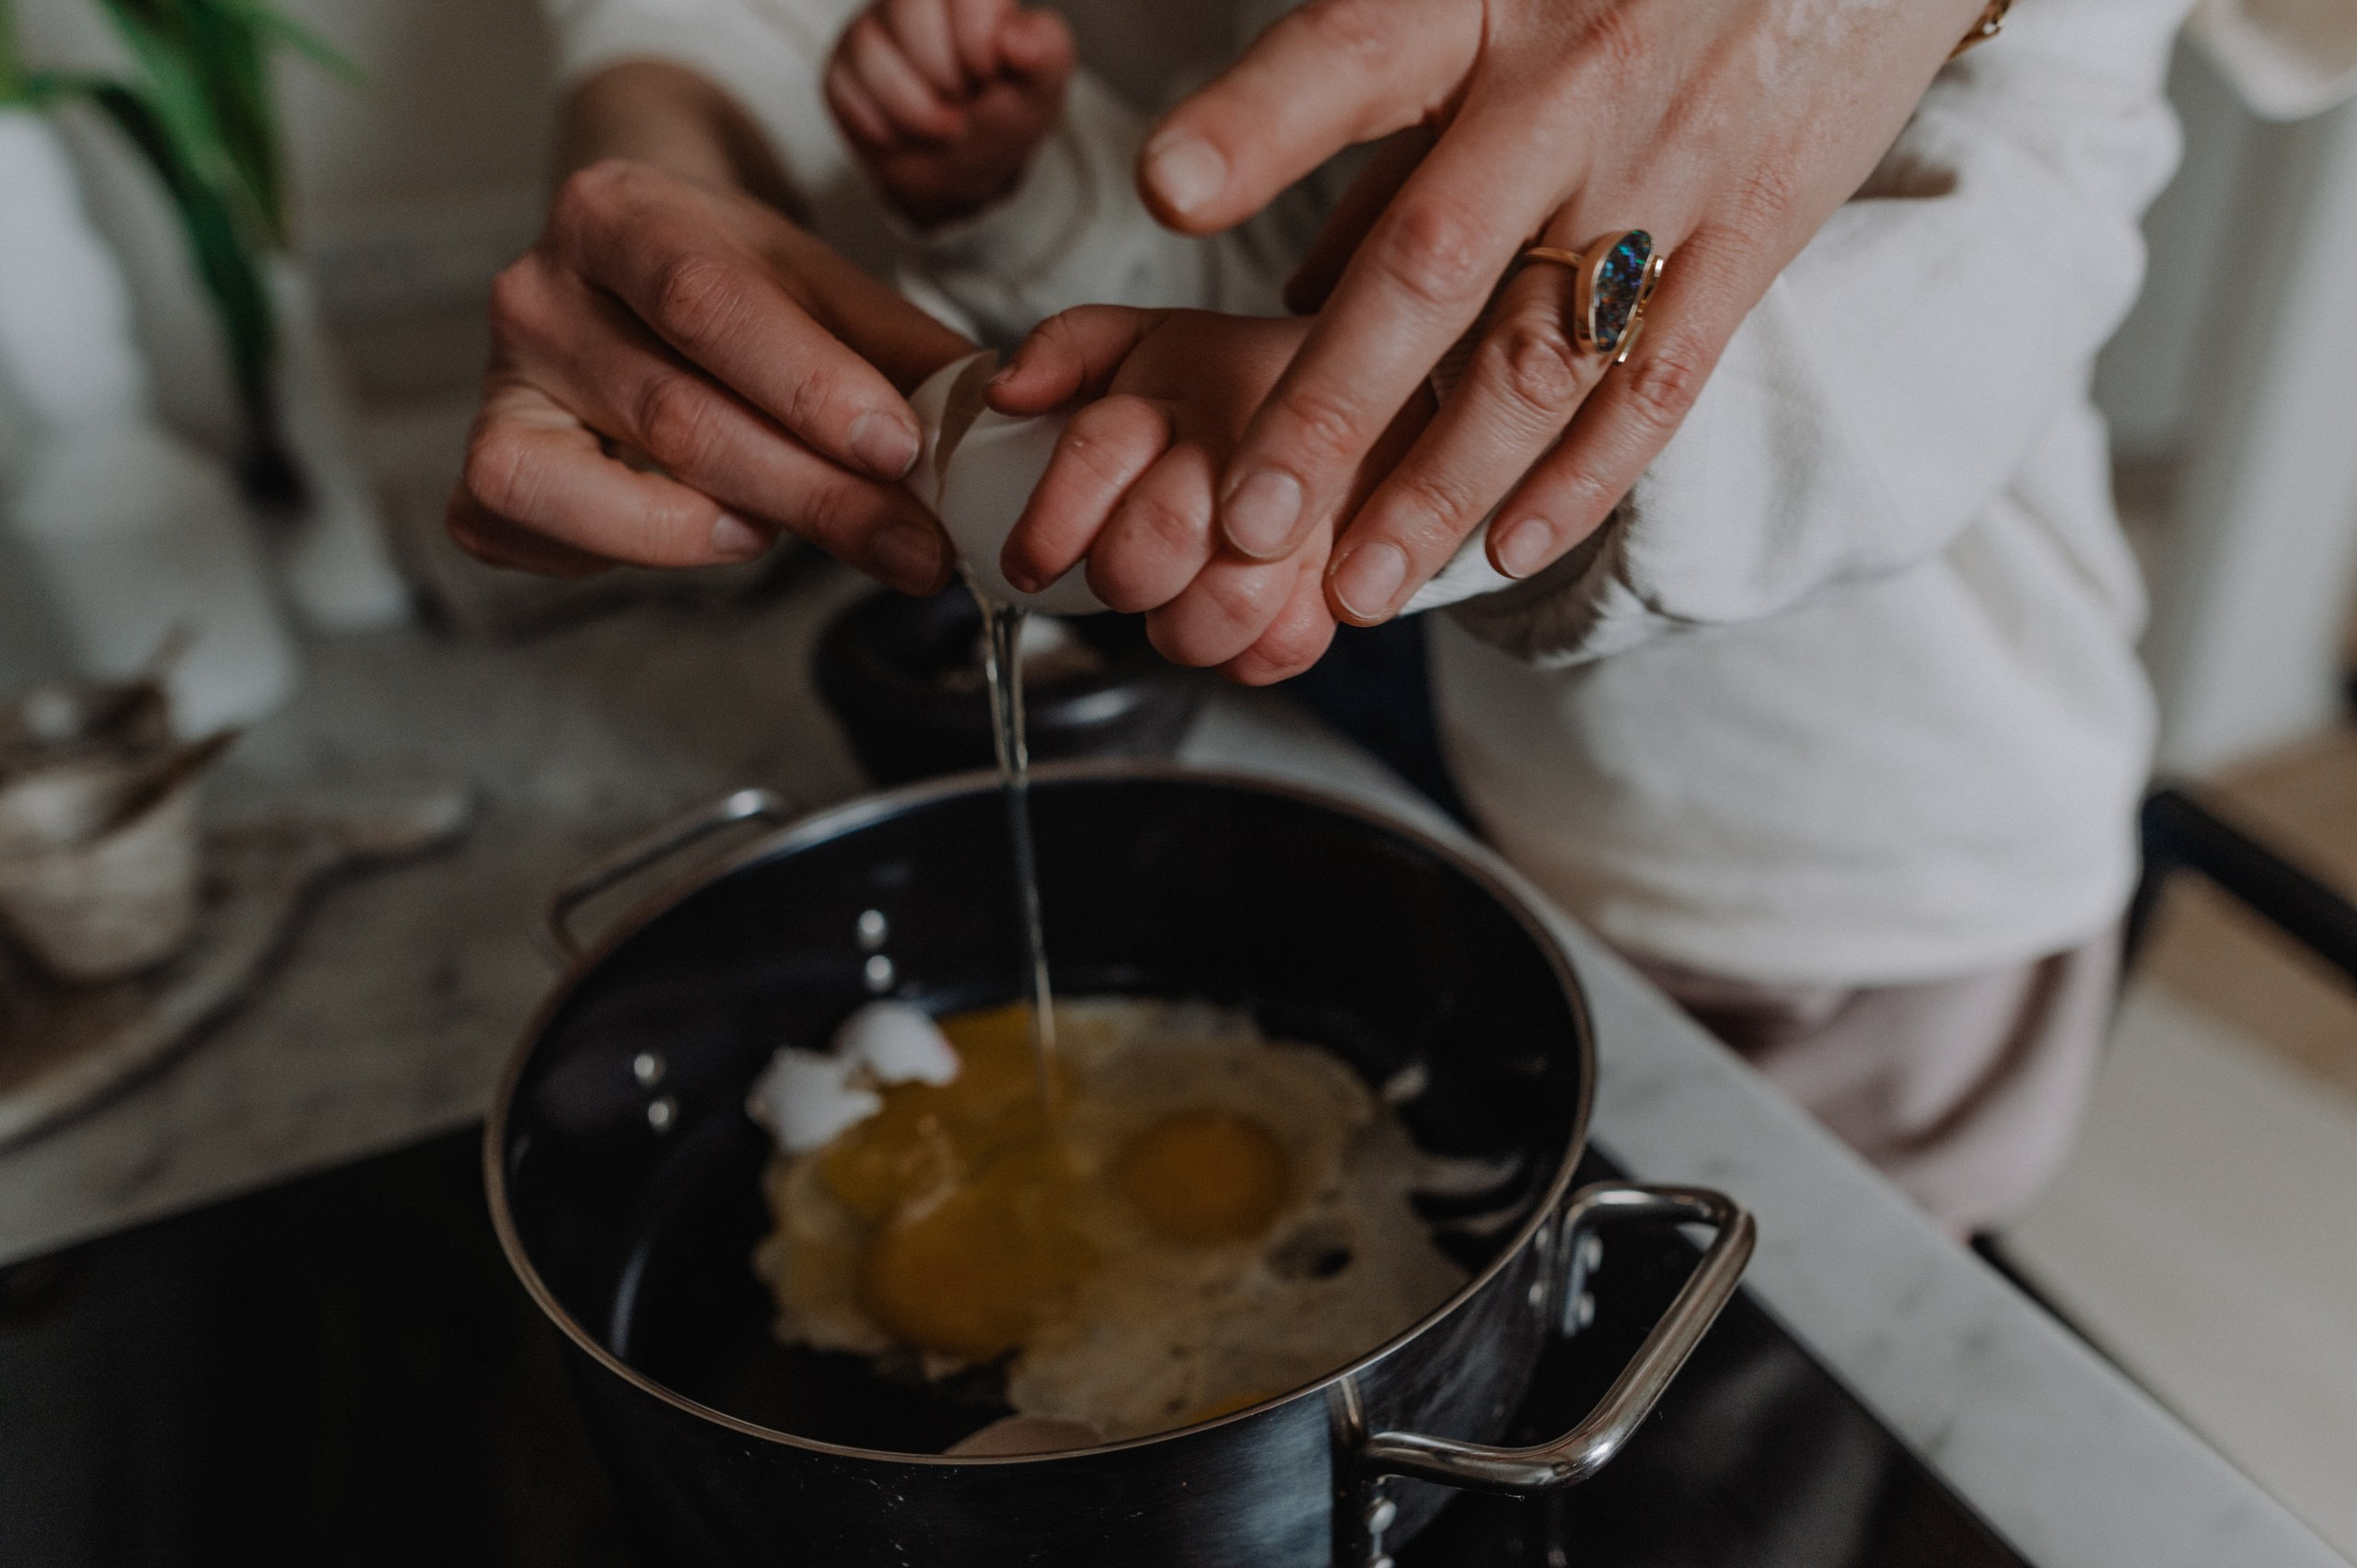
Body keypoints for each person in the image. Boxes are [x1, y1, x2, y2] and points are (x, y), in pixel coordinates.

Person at [452, 0, 2181, 1233]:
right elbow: (1284, 273)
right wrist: (1025, 191)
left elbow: (1971, 305)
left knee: (1783, 1354)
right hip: (1464, 754)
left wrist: (1450, 435)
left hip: (1863, 876)